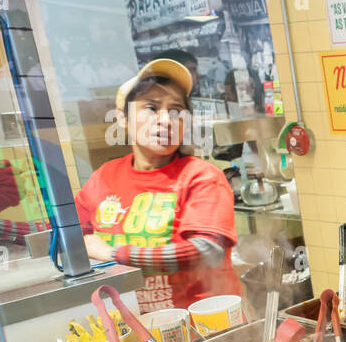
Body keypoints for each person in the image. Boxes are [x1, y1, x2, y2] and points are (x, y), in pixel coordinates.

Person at [76, 58, 242, 312]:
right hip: (135, 324)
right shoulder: (104, 177)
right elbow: (68, 235)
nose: (166, 120)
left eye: (176, 111)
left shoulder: (201, 177)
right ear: (122, 118)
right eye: (151, 108)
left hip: (205, 327)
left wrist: (113, 253)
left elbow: (206, 251)